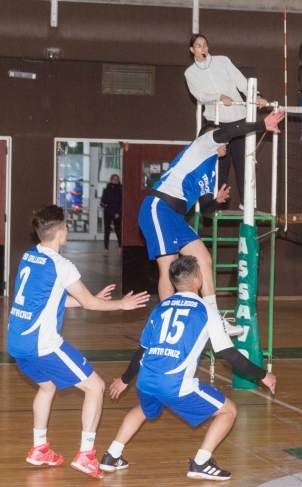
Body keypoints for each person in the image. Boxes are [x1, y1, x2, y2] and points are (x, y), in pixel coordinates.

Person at [101, 255, 277, 481]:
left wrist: (125, 379)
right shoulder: (206, 310)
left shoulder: (161, 307)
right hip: (175, 383)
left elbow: (142, 350)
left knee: (143, 410)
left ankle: (112, 455)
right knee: (228, 410)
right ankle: (201, 462)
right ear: (196, 279)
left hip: (146, 378)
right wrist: (263, 374)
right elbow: (230, 355)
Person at [7, 205, 149, 479]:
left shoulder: (30, 256)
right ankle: (86, 455)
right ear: (61, 231)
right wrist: (122, 304)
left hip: (16, 342)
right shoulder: (62, 266)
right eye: (66, 227)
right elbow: (90, 304)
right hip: (41, 344)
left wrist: (90, 299)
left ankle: (39, 449)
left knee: (47, 387)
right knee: (95, 386)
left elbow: (51, 300)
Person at [137, 109, 284, 330]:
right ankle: (164, 324)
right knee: (168, 265)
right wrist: (262, 124)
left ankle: (214, 321)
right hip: (159, 208)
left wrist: (217, 201)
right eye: (223, 140)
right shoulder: (203, 145)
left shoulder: (210, 169)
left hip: (176, 217)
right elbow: (231, 129)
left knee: (204, 259)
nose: (227, 144)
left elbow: (205, 209)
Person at [184, 33, 274, 206]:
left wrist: (257, 96)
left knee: (243, 162)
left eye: (205, 45)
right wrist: (219, 96)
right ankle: (216, 202)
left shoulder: (223, 61)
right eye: (198, 46)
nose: (203, 49)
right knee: (219, 165)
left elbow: (242, 83)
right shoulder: (190, 74)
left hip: (238, 118)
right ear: (191, 50)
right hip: (215, 123)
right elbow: (200, 96)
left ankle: (247, 203)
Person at [100, 173, 122, 256]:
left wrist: (118, 212)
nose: (115, 181)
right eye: (113, 179)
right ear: (111, 180)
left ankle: (120, 247)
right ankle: (106, 248)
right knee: (107, 231)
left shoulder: (120, 189)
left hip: (116, 212)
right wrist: (103, 204)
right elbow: (103, 201)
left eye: (117, 180)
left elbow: (121, 202)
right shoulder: (107, 189)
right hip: (108, 212)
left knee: (118, 230)